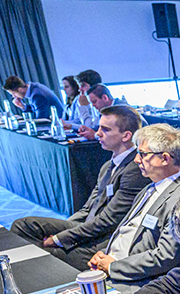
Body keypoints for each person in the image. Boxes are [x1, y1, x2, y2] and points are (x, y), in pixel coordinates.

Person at [11, 106, 147, 268]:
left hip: (104, 236)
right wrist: (63, 231)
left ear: (126, 136)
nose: (97, 134)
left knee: (46, 252)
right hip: (89, 225)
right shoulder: (107, 166)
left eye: (105, 130)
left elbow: (109, 221)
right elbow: (88, 208)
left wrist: (59, 239)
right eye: (98, 128)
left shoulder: (134, 170)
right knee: (24, 226)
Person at [86, 123, 180, 286]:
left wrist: (113, 266)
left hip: (139, 282)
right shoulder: (148, 189)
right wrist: (105, 256)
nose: (136, 159)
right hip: (115, 267)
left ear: (164, 158)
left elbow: (165, 257)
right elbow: (127, 232)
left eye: (142, 154)